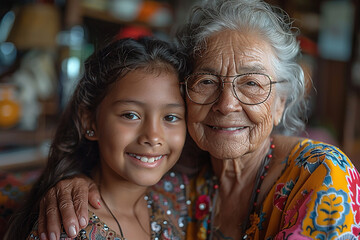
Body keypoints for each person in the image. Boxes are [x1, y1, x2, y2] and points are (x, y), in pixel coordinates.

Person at [31, 0, 360, 239]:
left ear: (279, 105)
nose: (227, 104)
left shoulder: (322, 175)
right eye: (207, 82)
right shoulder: (184, 176)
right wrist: (74, 182)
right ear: (186, 96)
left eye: (251, 83)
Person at [5, 37, 190, 240]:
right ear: (90, 122)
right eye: (130, 115)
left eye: (171, 117)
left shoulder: (177, 196)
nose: (153, 137)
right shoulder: (68, 228)